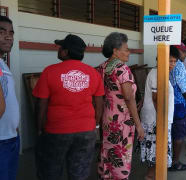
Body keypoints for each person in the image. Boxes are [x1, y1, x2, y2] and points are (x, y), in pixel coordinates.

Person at [33, 34, 105, 180]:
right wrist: (94, 124)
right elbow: (99, 103)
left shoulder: (49, 71)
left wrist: (40, 128)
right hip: (86, 131)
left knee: (50, 173)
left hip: (56, 131)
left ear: (66, 52)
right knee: (79, 173)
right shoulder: (94, 73)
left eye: (60, 47)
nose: (58, 50)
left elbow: (41, 104)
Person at [97, 32, 145, 179]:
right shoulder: (123, 69)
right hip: (122, 121)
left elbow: (98, 96)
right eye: (126, 49)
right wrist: (138, 124)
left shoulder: (101, 68)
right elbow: (129, 98)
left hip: (107, 118)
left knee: (108, 150)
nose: (129, 52)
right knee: (121, 152)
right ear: (115, 50)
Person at [140, 46, 177, 179]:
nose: (172, 64)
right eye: (170, 61)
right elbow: (156, 99)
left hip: (158, 119)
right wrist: (162, 121)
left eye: (174, 61)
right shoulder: (157, 73)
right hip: (155, 120)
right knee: (155, 154)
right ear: (160, 60)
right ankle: (150, 177)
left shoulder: (161, 72)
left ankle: (152, 176)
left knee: (156, 154)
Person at [0, 15, 20, 180]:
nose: (8, 36)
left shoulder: (2, 63)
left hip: (10, 137)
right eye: (1, 32)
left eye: (11, 33)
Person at [168, 45, 186, 171]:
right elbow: (184, 89)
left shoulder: (160, 64)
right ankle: (175, 162)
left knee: (168, 133)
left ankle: (165, 159)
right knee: (178, 135)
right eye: (183, 51)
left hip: (165, 102)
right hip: (178, 104)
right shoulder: (179, 64)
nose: (185, 54)